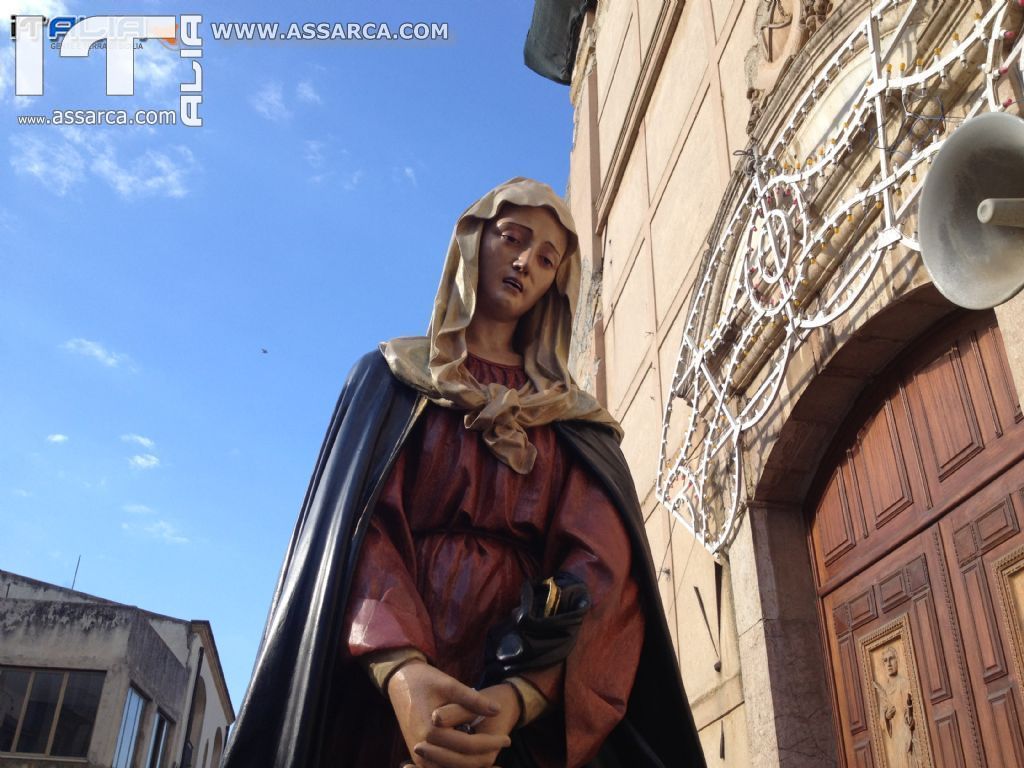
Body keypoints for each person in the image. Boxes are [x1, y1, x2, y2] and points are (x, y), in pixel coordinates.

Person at [220, 178, 706, 768]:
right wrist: (401, 670)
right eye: (513, 238)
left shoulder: (572, 421)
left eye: (547, 258)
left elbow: (601, 565)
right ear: (474, 242)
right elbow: (361, 536)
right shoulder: (394, 378)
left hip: (520, 692)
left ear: (558, 282)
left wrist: (521, 693)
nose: (526, 262)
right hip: (385, 685)